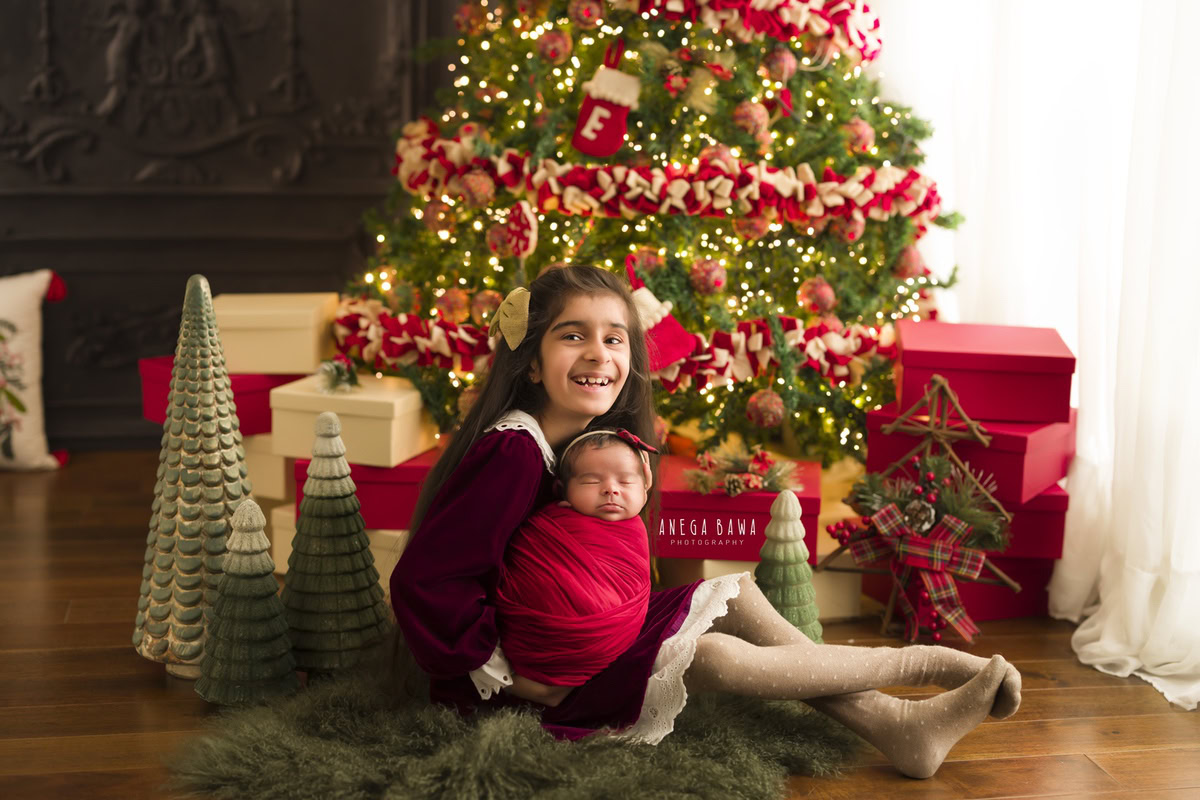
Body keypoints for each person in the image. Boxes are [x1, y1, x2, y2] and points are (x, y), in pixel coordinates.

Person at [389, 264, 1023, 779]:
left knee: (738, 589)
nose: (598, 355)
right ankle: (919, 666)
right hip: (535, 674)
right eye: (572, 335)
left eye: (614, 339)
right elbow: (427, 581)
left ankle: (895, 725)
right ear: (530, 362)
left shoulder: (586, 443)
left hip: (580, 631)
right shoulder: (513, 451)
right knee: (710, 655)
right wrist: (509, 674)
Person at [492, 428, 660, 692]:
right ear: (562, 490)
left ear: (645, 486)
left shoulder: (634, 530)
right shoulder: (547, 526)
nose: (610, 490)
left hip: (608, 647)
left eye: (625, 482)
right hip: (537, 644)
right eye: (591, 482)